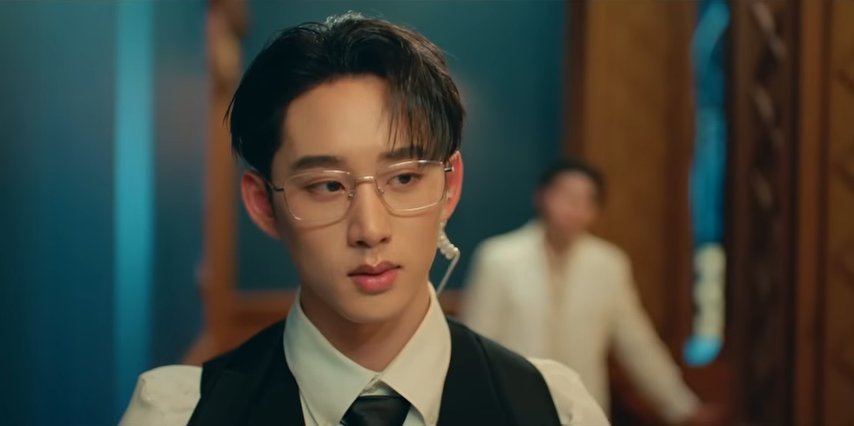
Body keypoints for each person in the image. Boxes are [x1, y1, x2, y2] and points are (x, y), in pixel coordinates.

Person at [119, 13, 608, 426]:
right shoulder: (178, 414)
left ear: (449, 186)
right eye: (327, 186)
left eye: (404, 178)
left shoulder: (558, 410)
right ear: (263, 204)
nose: (371, 229)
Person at [460, 158, 722, 426]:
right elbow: (477, 344)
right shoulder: (499, 259)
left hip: (584, 410)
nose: (575, 207)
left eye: (586, 200)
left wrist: (683, 407)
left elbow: (637, 344)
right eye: (566, 195)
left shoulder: (608, 265)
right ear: (542, 197)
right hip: (513, 409)